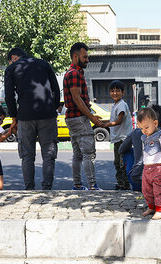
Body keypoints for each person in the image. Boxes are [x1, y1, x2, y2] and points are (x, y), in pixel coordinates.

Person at [4, 47, 60, 190]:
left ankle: (29, 188)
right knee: (48, 154)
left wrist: (14, 117)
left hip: (25, 116)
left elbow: (9, 95)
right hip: (47, 114)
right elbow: (56, 88)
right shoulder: (44, 64)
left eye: (10, 61)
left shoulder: (11, 69)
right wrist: (53, 108)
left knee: (27, 155)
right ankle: (47, 188)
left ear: (14, 58)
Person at [63, 42, 103, 190]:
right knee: (88, 153)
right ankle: (93, 186)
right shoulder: (74, 73)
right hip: (79, 118)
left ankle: (78, 185)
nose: (87, 60)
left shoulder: (73, 72)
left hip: (72, 117)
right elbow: (77, 98)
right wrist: (91, 116)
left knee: (78, 154)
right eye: (85, 57)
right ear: (75, 56)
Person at [137, 108, 161, 220]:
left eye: (146, 127)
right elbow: (145, 151)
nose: (144, 131)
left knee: (158, 189)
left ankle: (159, 209)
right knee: (146, 189)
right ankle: (151, 207)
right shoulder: (144, 137)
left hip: (158, 167)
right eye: (141, 128)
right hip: (147, 168)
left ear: (155, 123)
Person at [102, 80, 132, 190]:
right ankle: (120, 183)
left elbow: (118, 121)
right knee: (117, 162)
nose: (115, 93)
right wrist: (104, 121)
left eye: (117, 91)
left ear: (123, 93)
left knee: (122, 163)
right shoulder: (116, 105)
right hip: (118, 139)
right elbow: (114, 119)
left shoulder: (121, 105)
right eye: (112, 91)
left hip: (123, 139)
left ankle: (126, 184)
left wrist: (105, 125)